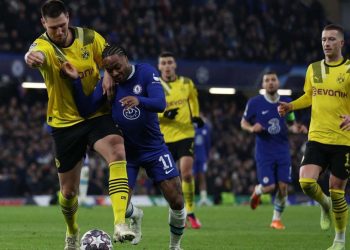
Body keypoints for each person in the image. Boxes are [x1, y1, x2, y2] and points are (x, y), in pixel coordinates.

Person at [24, 1, 134, 249]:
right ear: (44, 24)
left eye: (62, 25)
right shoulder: (43, 46)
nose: (59, 32)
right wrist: (32, 58)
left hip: (96, 114)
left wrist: (107, 72)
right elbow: (34, 55)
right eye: (53, 28)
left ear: (68, 18)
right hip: (64, 123)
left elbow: (110, 55)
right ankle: (72, 230)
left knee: (117, 150)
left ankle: (119, 224)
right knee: (69, 193)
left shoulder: (89, 37)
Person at [60, 44, 186, 250]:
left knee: (176, 199)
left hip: (154, 149)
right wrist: (75, 81)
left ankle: (175, 246)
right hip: (126, 155)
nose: (115, 73)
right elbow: (85, 109)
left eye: (118, 67)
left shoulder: (146, 72)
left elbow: (160, 103)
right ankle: (135, 215)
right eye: (110, 70)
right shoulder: (108, 84)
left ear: (126, 59)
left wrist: (139, 100)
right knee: (122, 205)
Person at [278, 24, 350, 250]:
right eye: (323, 40)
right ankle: (323, 204)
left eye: (331, 39)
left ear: (341, 43)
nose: (326, 44)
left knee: (337, 191)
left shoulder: (349, 69)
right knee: (306, 182)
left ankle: (339, 240)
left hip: (343, 139)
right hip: (317, 135)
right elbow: (309, 96)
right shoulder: (313, 69)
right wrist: (290, 106)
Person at [241, 71, 307, 230]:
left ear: (278, 83)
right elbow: (243, 122)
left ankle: (276, 219)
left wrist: (296, 128)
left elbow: (291, 123)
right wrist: (251, 128)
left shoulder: (286, 102)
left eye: (273, 80)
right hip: (264, 151)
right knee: (269, 187)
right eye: (267, 80)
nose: (270, 82)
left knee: (283, 187)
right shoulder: (254, 102)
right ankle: (257, 191)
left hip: (283, 149)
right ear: (263, 84)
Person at [158, 51, 204, 229]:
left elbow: (193, 99)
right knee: (171, 179)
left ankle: (190, 211)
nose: (167, 66)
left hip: (185, 134)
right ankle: (178, 212)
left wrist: (196, 116)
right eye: (164, 63)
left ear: (175, 65)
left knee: (186, 173)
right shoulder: (155, 86)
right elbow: (149, 109)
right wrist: (164, 114)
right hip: (164, 137)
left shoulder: (186, 83)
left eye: (170, 62)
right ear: (159, 66)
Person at [193, 115, 212, 206]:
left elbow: (208, 144)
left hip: (202, 156)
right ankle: (189, 199)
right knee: (189, 178)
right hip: (191, 156)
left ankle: (203, 198)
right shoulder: (190, 126)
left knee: (202, 176)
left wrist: (207, 156)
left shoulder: (205, 128)